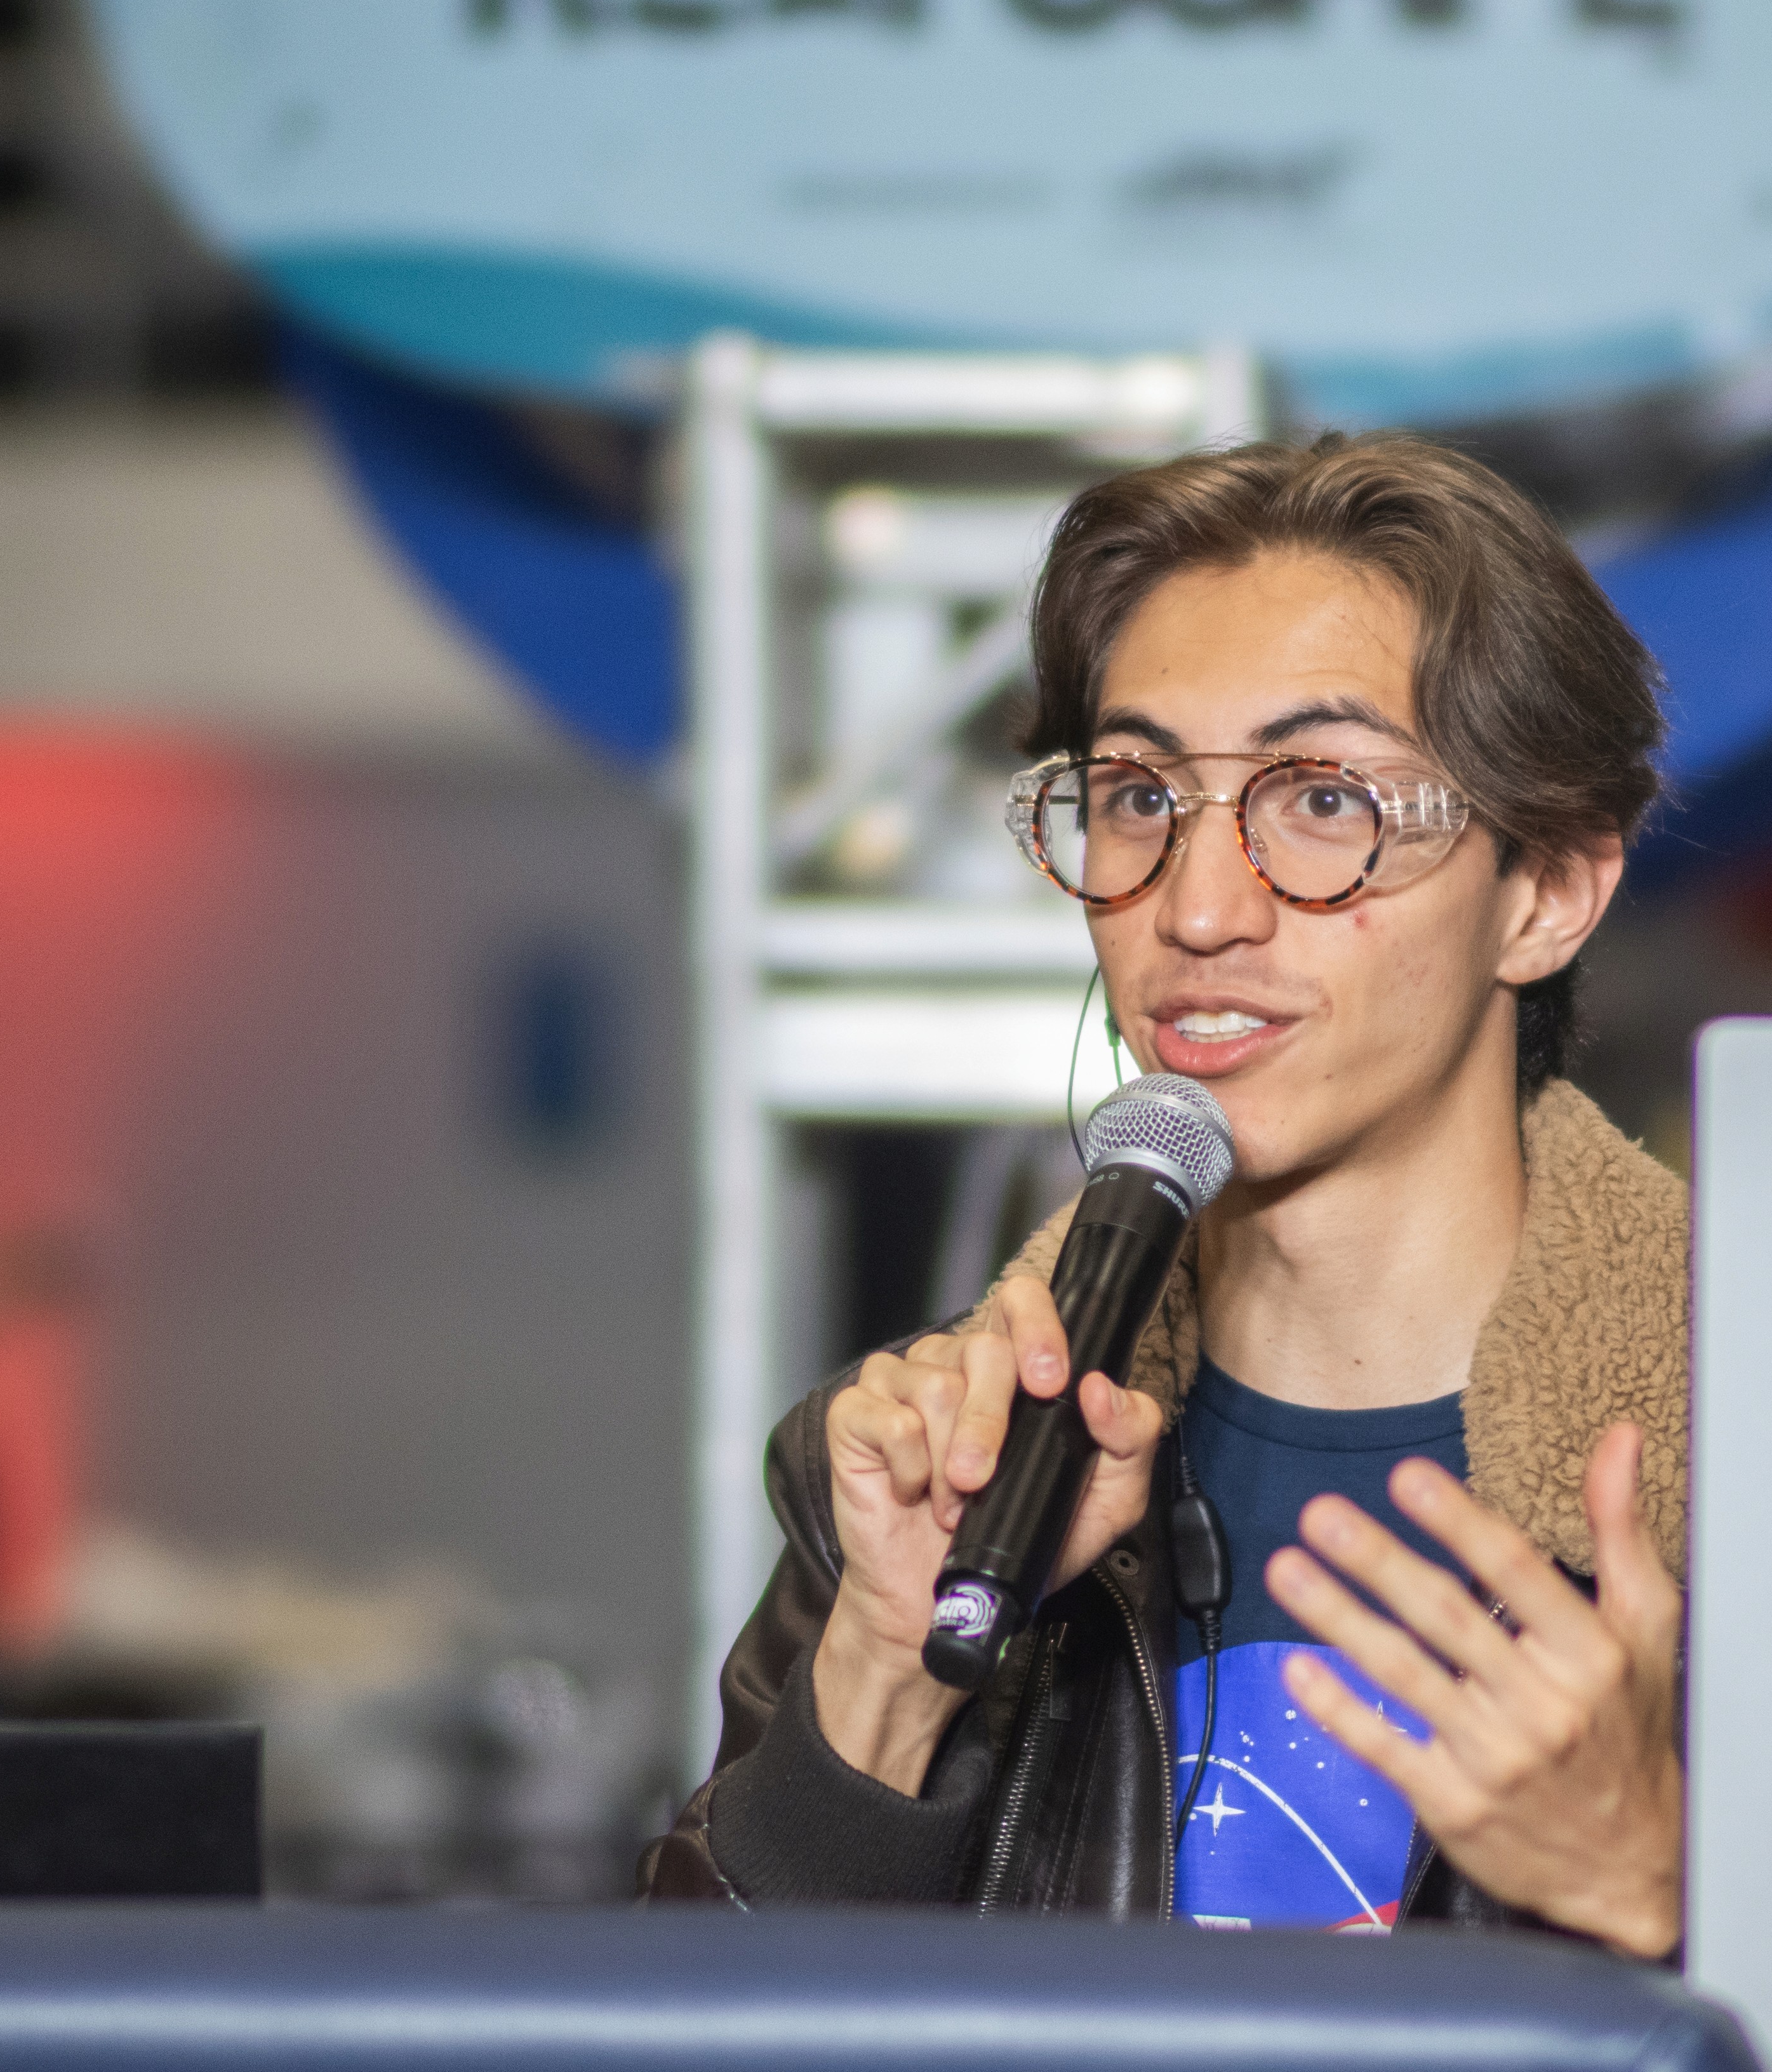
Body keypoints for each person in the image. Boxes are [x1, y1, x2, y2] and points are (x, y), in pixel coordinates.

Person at [648, 432, 1688, 1956]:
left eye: (1323, 800)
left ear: (1544, 893)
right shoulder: (951, 1470)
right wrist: (887, 1669)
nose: (1197, 910)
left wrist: (1648, 1901)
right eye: (1138, 797)